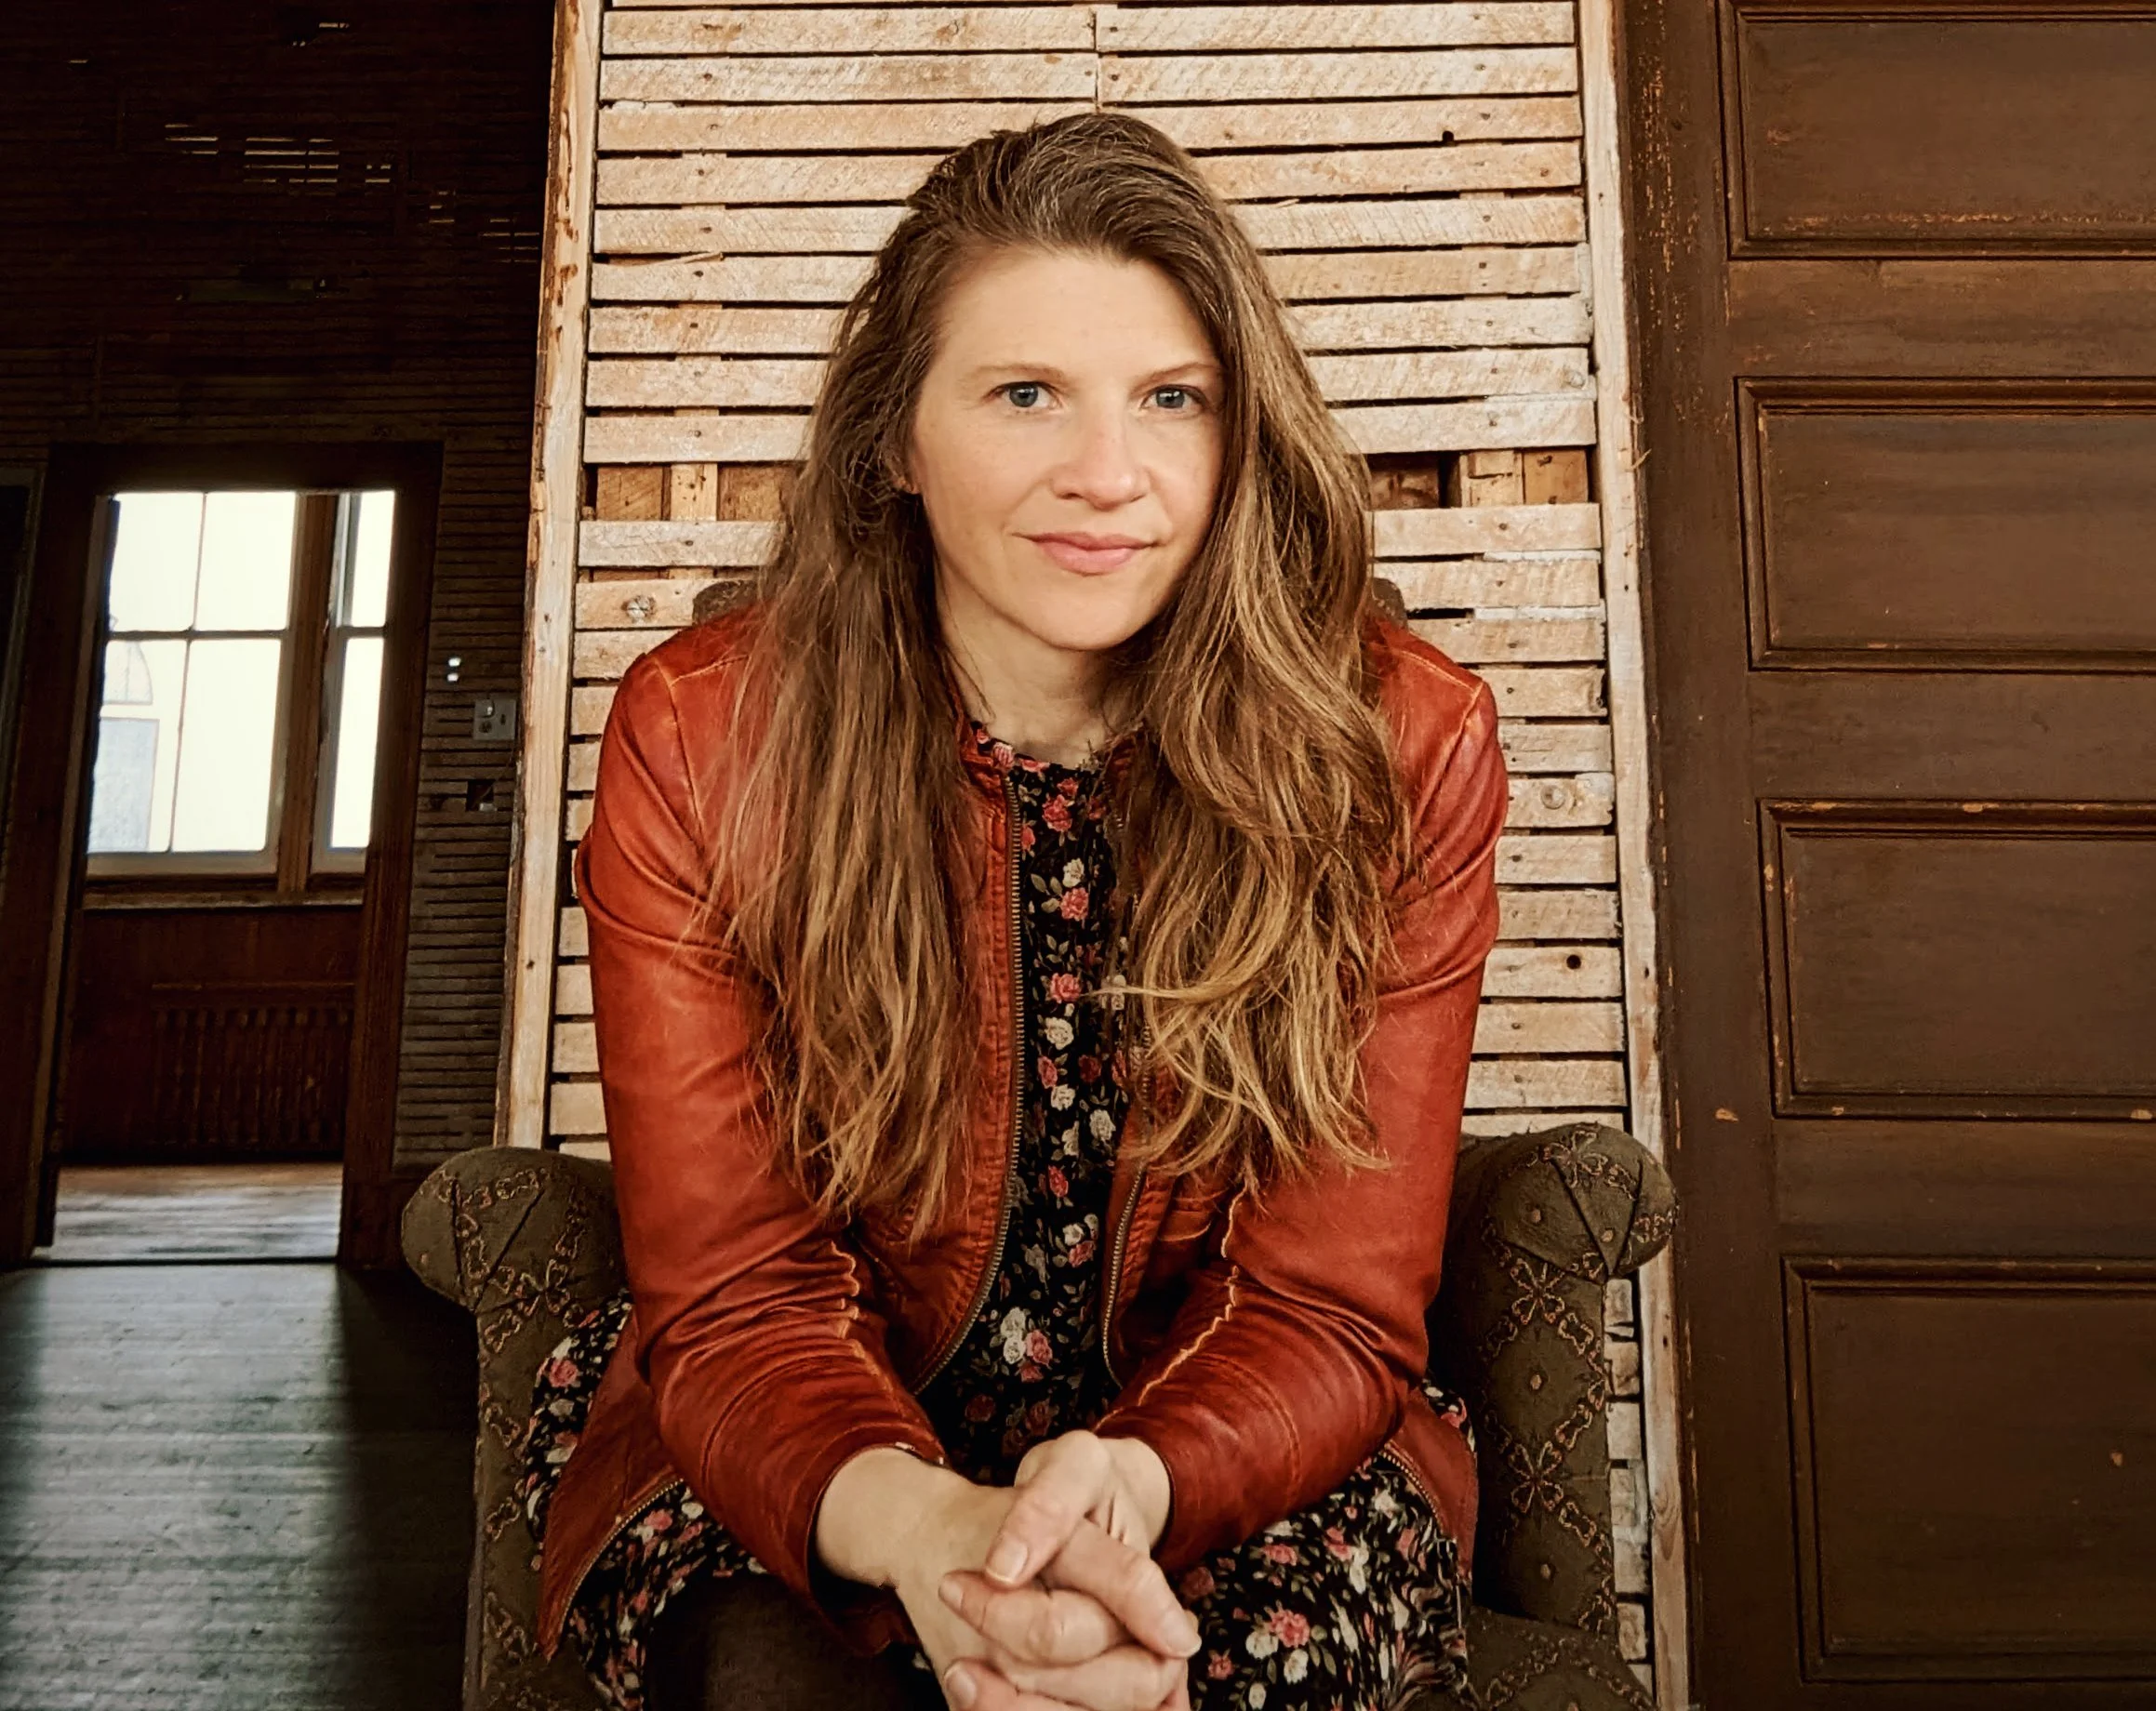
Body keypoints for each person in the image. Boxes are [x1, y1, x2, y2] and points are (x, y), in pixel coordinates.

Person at [517, 112, 1509, 1711]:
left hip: (1240, 1444)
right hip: (807, 1435)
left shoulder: (1404, 748)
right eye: (1025, 392)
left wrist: (1120, 1491)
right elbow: (737, 1294)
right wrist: (929, 1530)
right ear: (895, 438)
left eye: (1172, 399)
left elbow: (1328, 1296)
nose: (1107, 477)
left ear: (1241, 435)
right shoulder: (701, 738)